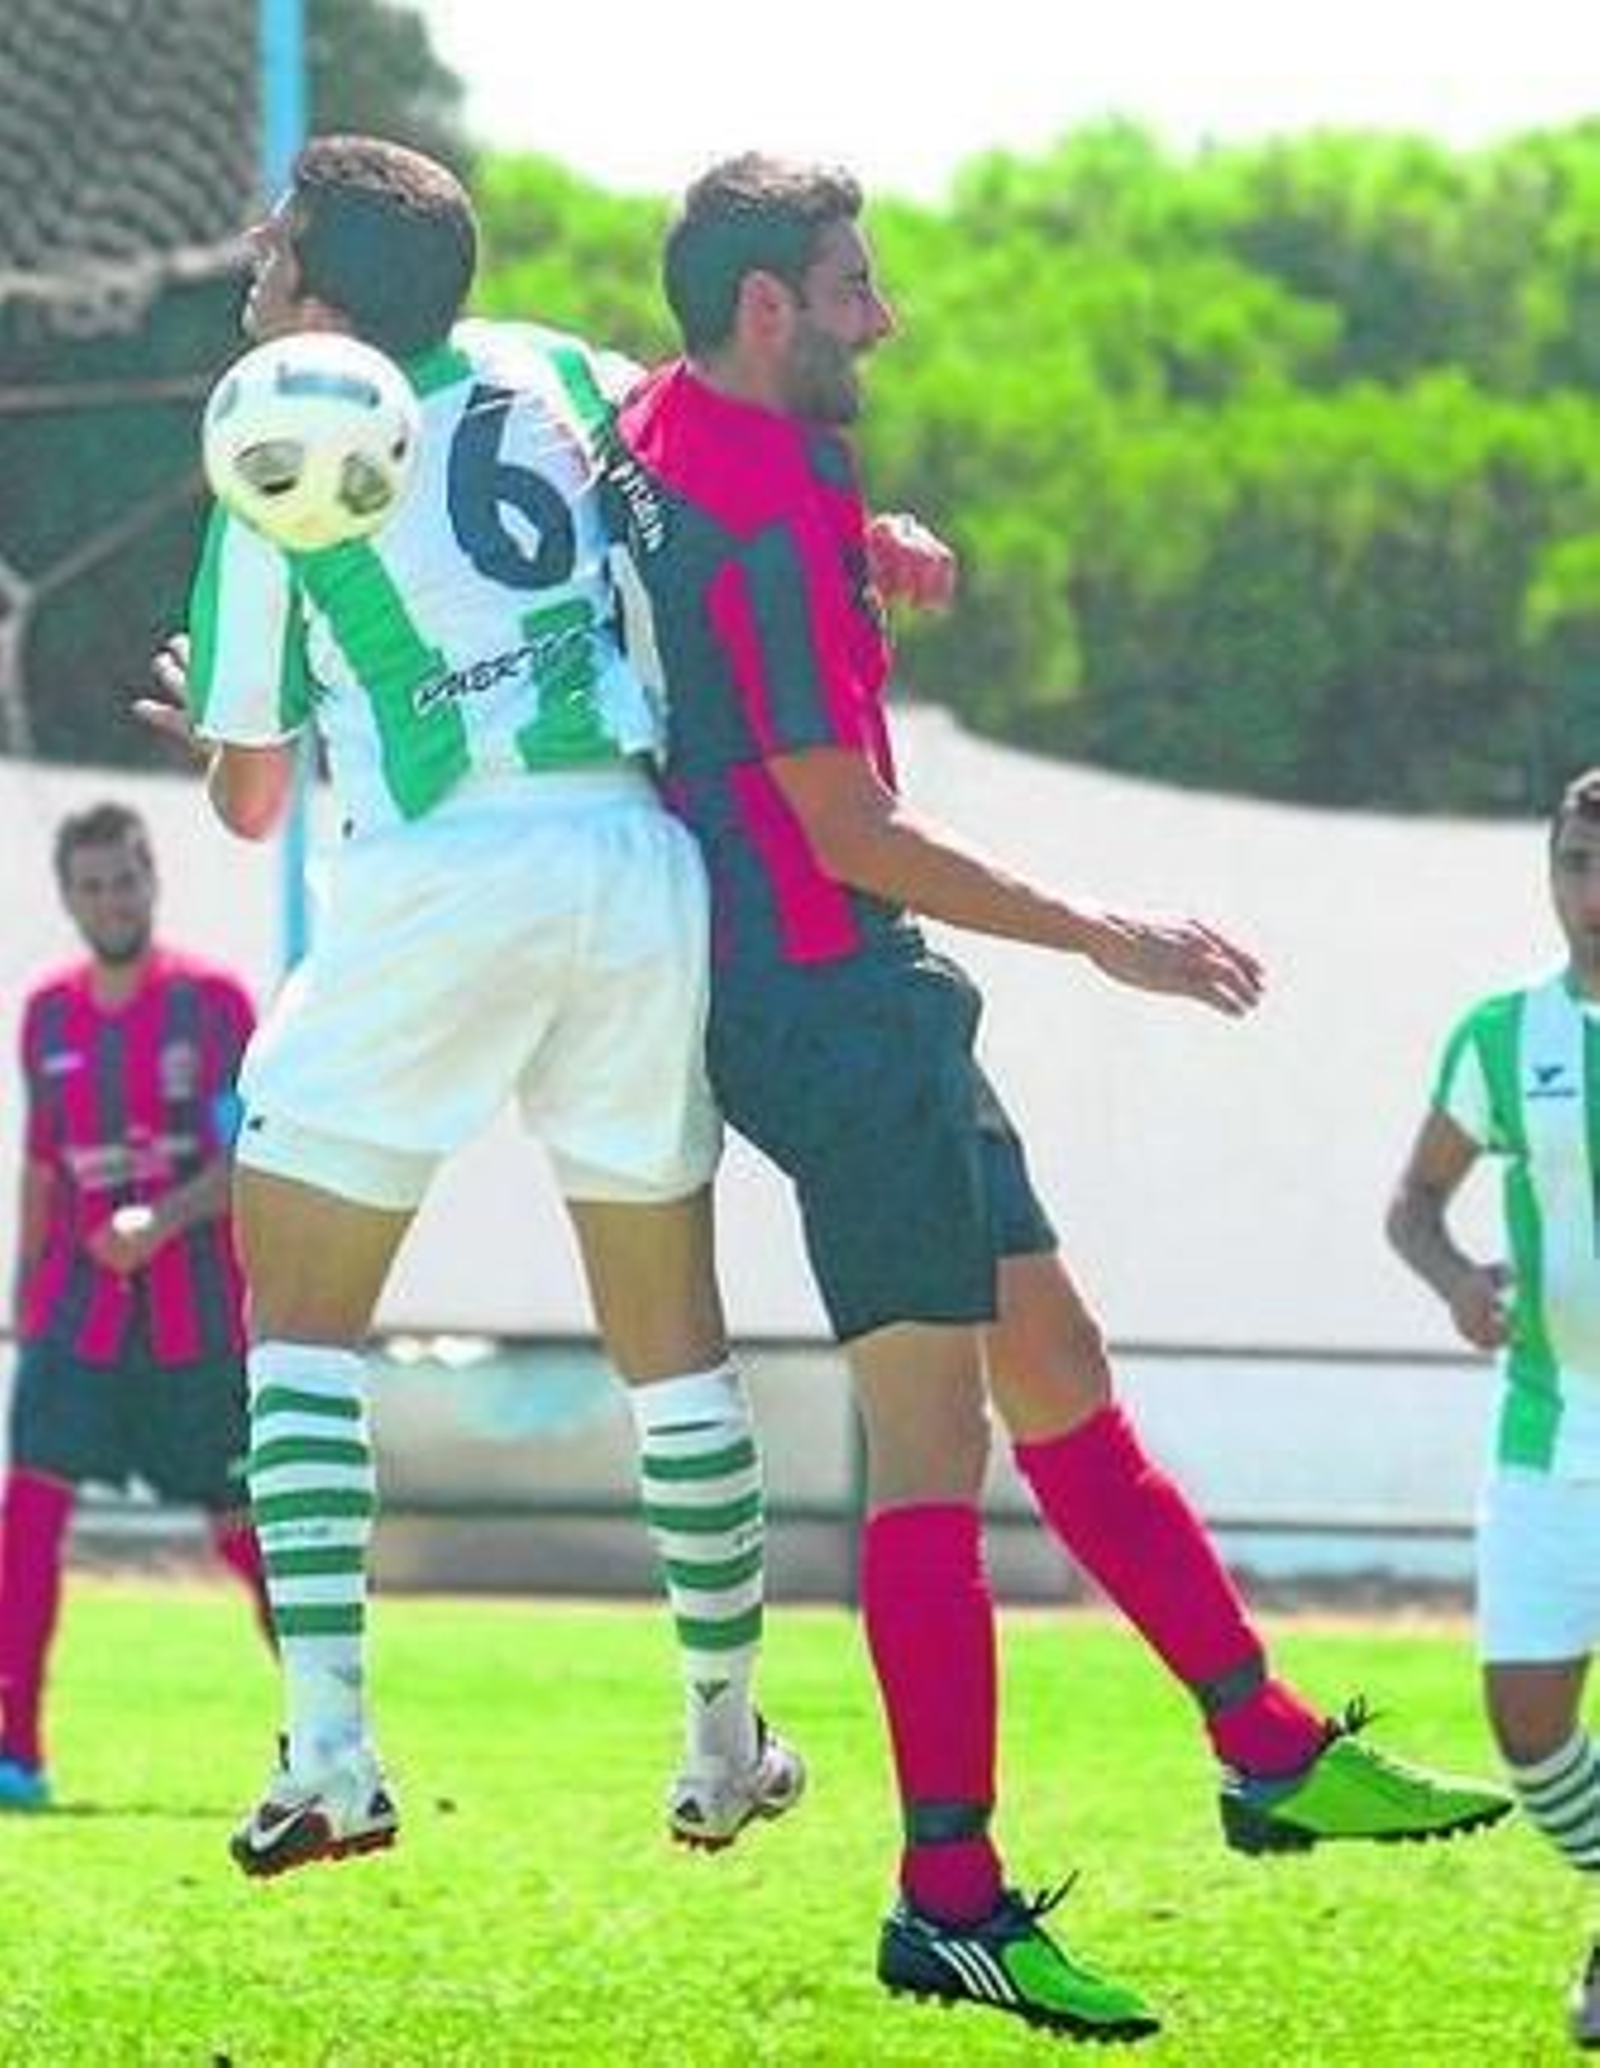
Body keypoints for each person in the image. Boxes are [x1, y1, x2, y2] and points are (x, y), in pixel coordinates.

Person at [609, 152, 1514, 2043]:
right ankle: (949, 1894)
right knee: (935, 1448)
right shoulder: (767, 508)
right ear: (768, 305)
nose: (885, 316)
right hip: (826, 1004)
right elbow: (844, 818)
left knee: (1062, 1365)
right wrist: (1101, 925)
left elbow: (650, 452)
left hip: (864, 1000)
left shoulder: (679, 418)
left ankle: (1264, 1743)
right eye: (853, 285)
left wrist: (878, 538)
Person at [139, 134, 802, 1879]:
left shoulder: (279, 445)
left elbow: (256, 798)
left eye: (275, 251)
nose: (254, 276)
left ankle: (334, 1748)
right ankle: (724, 1736)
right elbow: (699, 489)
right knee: (674, 1335)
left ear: (329, 301)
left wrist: (211, 722)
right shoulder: (561, 366)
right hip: (631, 864)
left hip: (440, 882)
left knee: (297, 1317)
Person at [1387, 766, 1600, 2049]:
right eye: (1574, 861)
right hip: (1544, 1435)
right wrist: (1459, 1280)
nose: (1591, 888)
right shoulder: (1499, 1037)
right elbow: (1411, 1202)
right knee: (1526, 1730)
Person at [2, 801, 273, 1810]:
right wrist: (25, 1298)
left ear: (151, 879)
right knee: (25, 1525)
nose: (109, 898)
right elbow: (41, 1166)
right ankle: (14, 1753)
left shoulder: (215, 1006)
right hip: (76, 1321)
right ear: (69, 897)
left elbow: (247, 1154)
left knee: (249, 1534)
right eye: (91, 884)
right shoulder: (46, 1016)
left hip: (196, 1325)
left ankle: (330, 1736)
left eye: (124, 879)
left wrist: (161, 1220)